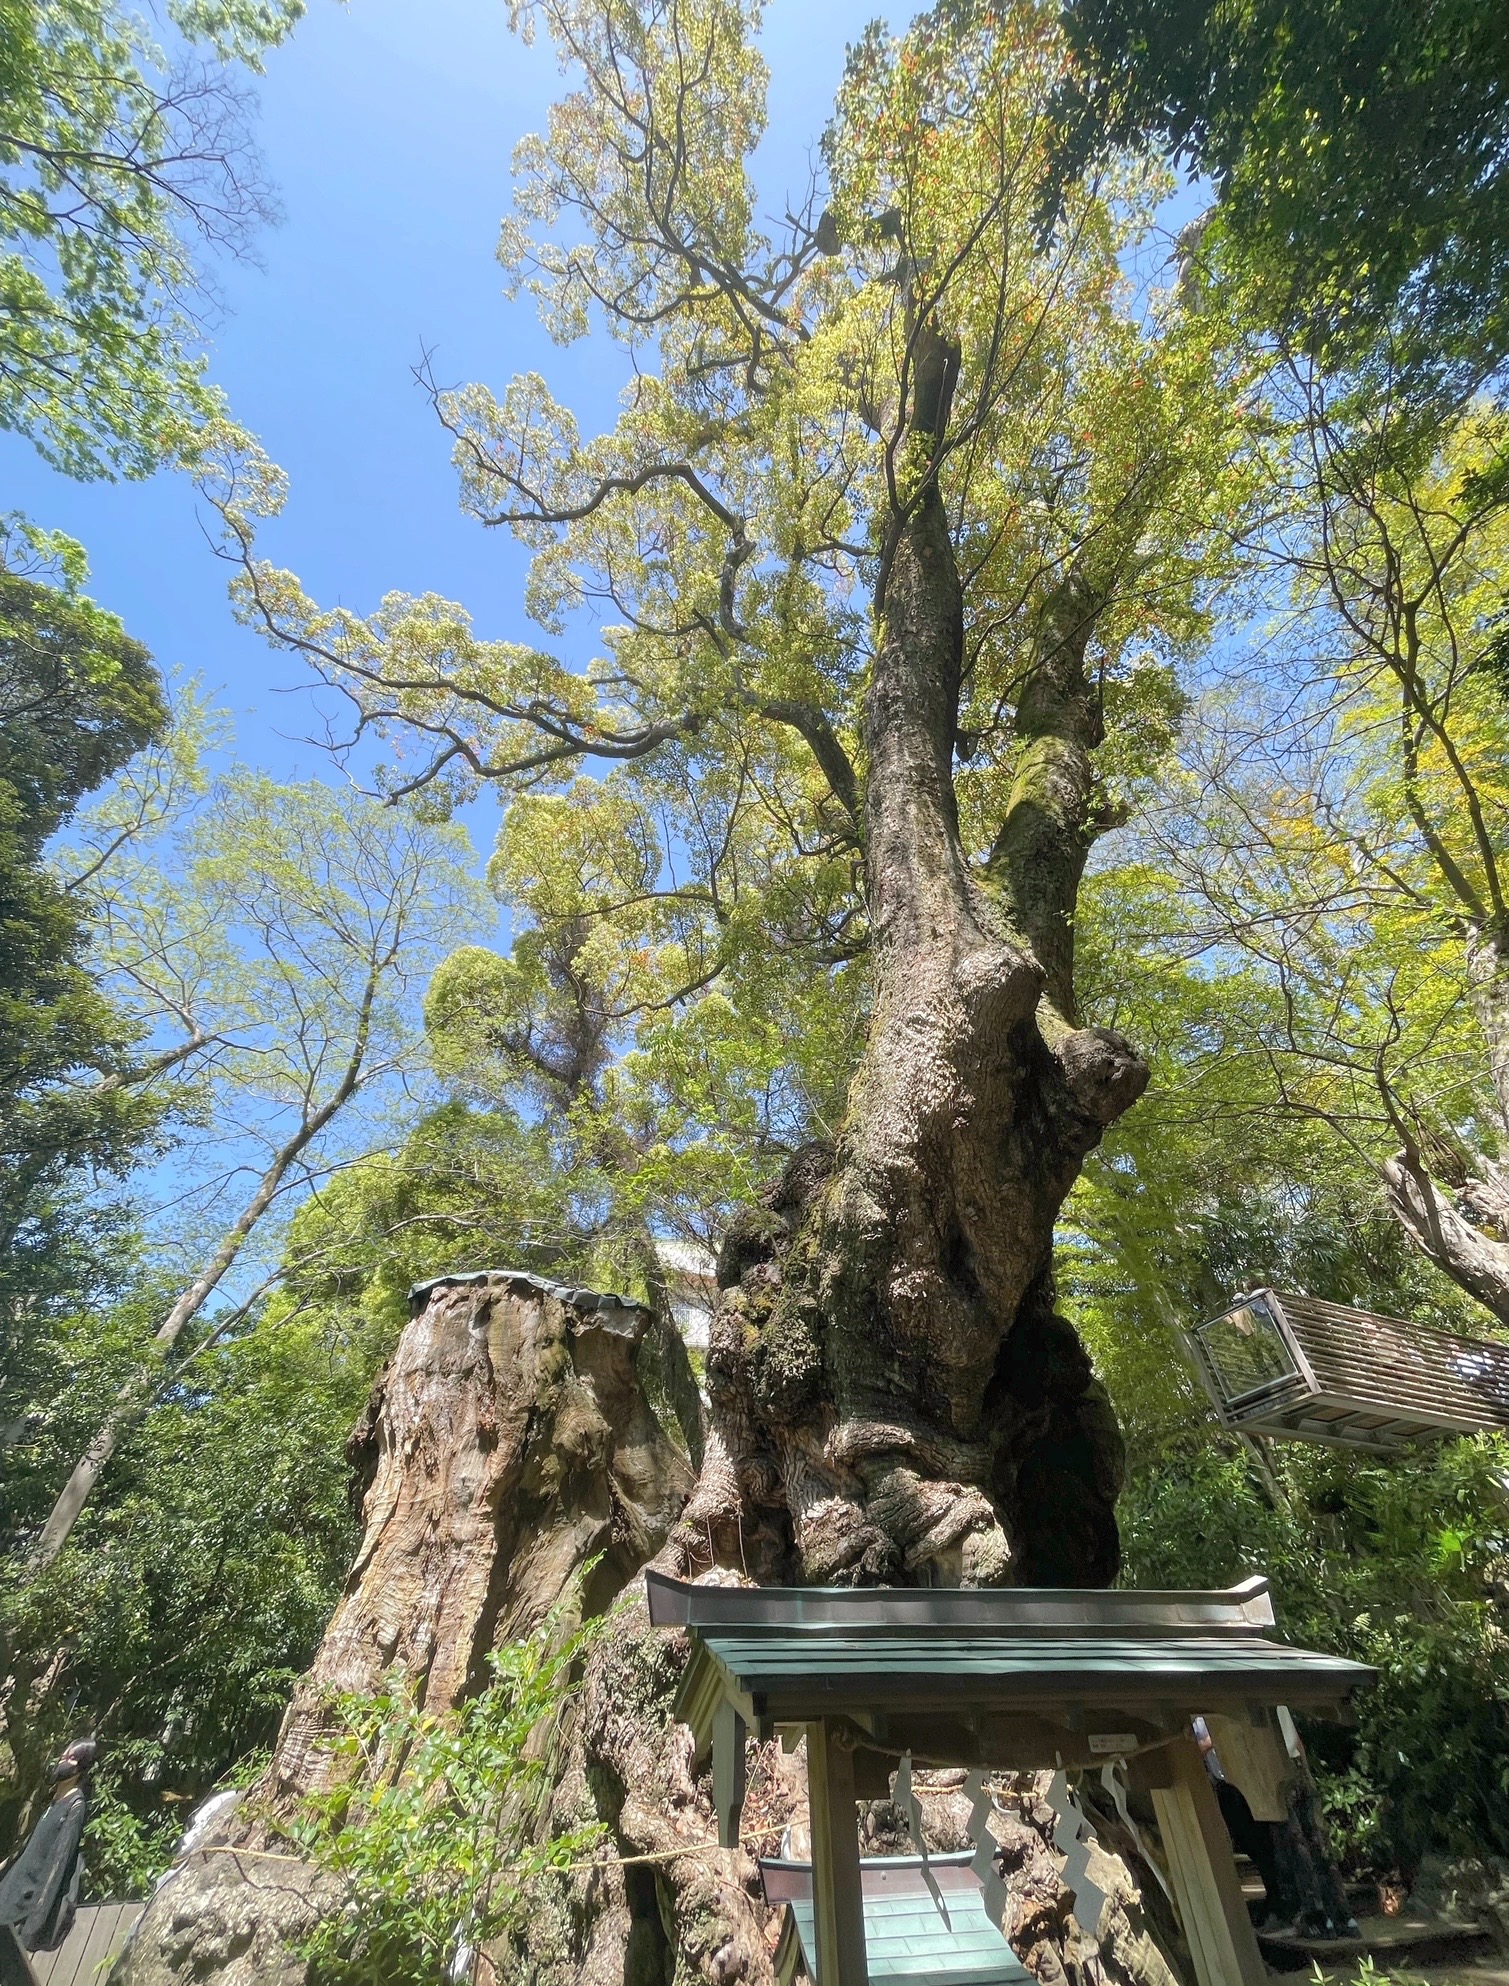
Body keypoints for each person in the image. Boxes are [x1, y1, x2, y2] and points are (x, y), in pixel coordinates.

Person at [0, 1740, 97, 1954]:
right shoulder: (54, 1801)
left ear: (82, 1767)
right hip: (8, 1894)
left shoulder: (76, 1806)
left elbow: (58, 1864)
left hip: (21, 1907)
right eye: (64, 1756)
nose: (64, 1761)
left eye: (72, 1758)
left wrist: (35, 1923)